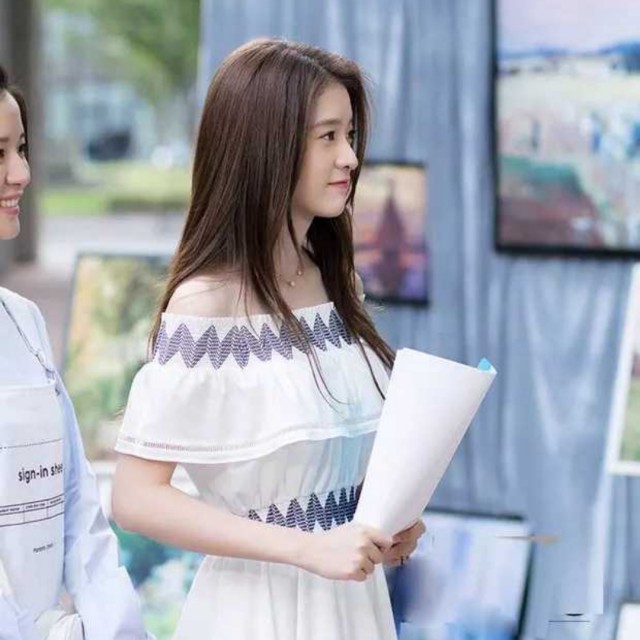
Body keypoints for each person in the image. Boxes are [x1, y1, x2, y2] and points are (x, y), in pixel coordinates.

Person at [111, 38, 425, 639]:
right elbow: (135, 498)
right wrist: (307, 549)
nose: (350, 158)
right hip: (256, 614)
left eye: (350, 135)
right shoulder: (206, 305)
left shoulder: (337, 284)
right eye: (327, 136)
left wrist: (386, 527)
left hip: (354, 610)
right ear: (267, 146)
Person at [0, 63, 150, 640]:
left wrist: (114, 630)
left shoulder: (23, 321)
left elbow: (77, 504)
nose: (22, 173)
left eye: (21, 148)